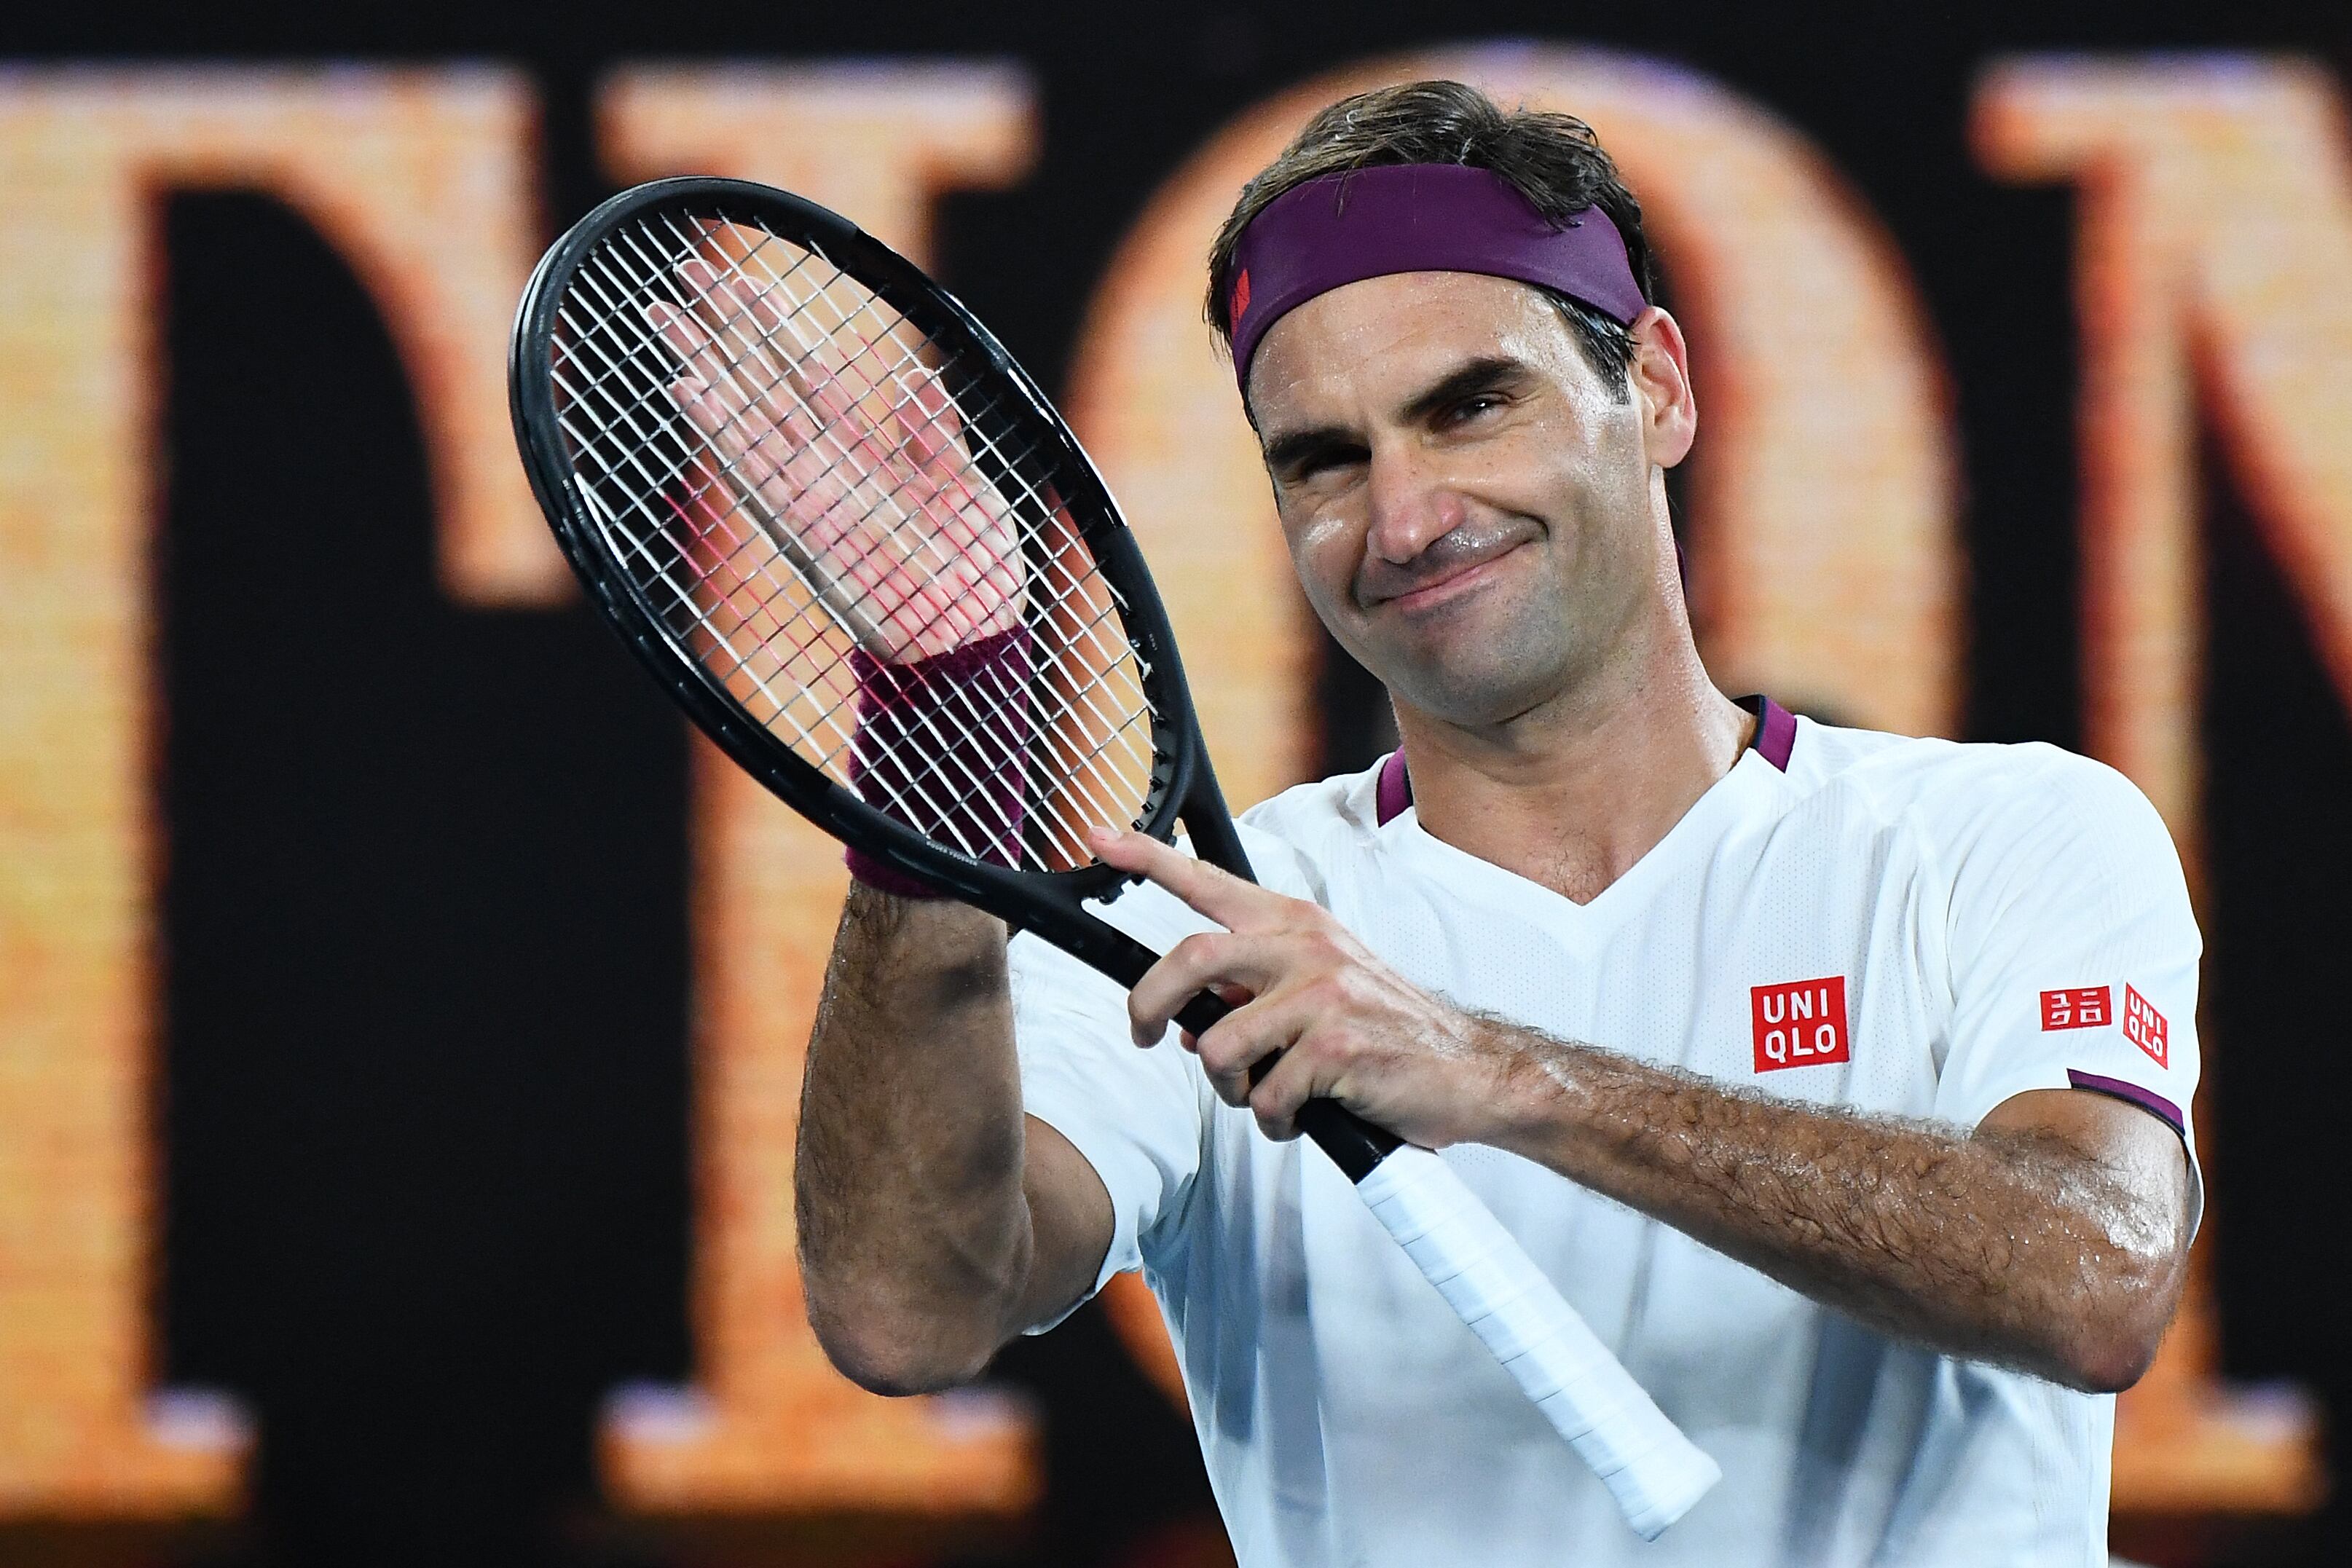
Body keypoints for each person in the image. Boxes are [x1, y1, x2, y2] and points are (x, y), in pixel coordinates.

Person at [790, 79, 2200, 1567]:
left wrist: (1491, 1069)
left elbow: (2091, 1279)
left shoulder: (2011, 833)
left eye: (1470, 404)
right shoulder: (1205, 927)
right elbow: (906, 1312)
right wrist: (938, 724)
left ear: (1653, 388)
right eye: (1324, 458)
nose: (1402, 519)